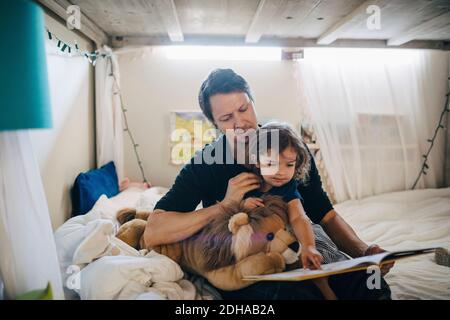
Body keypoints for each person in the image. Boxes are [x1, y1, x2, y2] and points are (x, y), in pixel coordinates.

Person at [144, 68, 392, 299]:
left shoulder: (288, 148)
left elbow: (324, 214)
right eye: (227, 117)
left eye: (244, 108)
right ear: (215, 124)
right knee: (291, 295)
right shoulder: (206, 163)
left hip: (298, 241)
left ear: (252, 102)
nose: (240, 123)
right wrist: (226, 205)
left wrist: (364, 251)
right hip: (247, 253)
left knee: (371, 284)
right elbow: (155, 229)